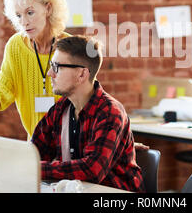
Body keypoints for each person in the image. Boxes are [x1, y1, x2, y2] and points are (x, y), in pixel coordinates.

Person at [31, 35, 145, 192]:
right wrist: (28, 162)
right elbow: (33, 152)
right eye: (51, 65)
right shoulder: (60, 109)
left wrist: (34, 167)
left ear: (82, 75)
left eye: (57, 67)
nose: (50, 73)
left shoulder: (110, 112)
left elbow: (91, 170)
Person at [0, 0, 70, 139]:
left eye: (30, 13)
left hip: (68, 142)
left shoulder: (70, 47)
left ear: (48, 8)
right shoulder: (16, 46)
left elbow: (84, 99)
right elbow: (5, 88)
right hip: (35, 142)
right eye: (18, 16)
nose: (24, 22)